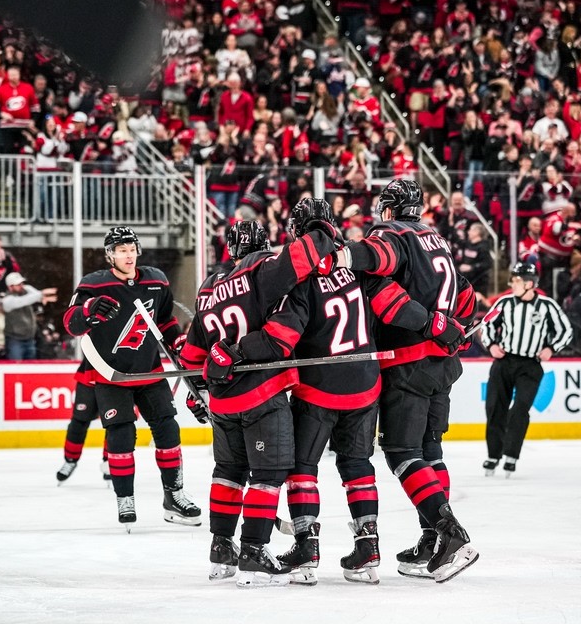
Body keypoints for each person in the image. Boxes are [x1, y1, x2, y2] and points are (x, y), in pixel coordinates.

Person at [260, 199, 451, 585]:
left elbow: (286, 333)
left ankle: (306, 550)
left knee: (302, 467)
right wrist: (437, 324)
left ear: (297, 231)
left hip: (319, 387)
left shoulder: (299, 271)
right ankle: (368, 549)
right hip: (366, 386)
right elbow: (395, 305)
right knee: (357, 465)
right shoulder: (358, 263)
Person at [325, 179, 478, 582]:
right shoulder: (437, 239)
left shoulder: (392, 233)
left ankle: (450, 534)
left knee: (401, 452)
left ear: (390, 209)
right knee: (430, 451)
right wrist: (453, 326)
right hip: (443, 365)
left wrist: (340, 255)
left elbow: (378, 263)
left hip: (409, 362)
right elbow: (466, 295)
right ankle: (431, 540)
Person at [178, 218, 344, 587]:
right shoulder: (264, 270)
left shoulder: (208, 287)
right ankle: (253, 551)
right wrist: (323, 231)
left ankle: (221, 550)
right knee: (268, 476)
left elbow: (192, 356)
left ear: (231, 250)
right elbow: (282, 332)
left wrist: (196, 390)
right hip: (262, 395)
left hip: (222, 401)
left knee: (228, 472)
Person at [58, 227, 201, 531]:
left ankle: (174, 496)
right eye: (122, 250)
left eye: (132, 249)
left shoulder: (156, 280)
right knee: (121, 437)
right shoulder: (94, 284)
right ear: (110, 254)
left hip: (150, 373)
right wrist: (88, 310)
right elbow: (70, 322)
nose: (129, 255)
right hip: (112, 376)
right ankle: (125, 499)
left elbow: (165, 320)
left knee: (168, 431)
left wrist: (178, 342)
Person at [480, 262, 572, 476]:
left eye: (517, 280)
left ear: (529, 284)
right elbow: (487, 324)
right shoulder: (504, 302)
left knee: (520, 409)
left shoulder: (547, 306)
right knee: (495, 408)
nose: (512, 284)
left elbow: (565, 331)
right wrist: (491, 345)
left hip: (530, 365)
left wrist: (551, 348)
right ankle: (493, 455)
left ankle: (511, 455)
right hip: (504, 362)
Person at [0, 272, 55, 361]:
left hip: (29, 339)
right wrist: (41, 294)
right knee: (15, 366)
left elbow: (34, 296)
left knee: (30, 366)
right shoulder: (7, 301)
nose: (21, 286)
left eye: (22, 283)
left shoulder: (25, 292)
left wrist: (38, 294)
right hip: (15, 340)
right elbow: (23, 301)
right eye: (18, 285)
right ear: (10, 287)